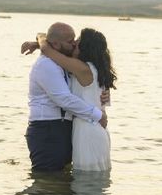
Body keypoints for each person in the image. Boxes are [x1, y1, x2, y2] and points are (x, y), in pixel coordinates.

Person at [20, 22, 108, 172]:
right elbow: (63, 98)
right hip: (48, 129)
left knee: (72, 181)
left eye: (76, 41)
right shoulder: (48, 64)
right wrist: (99, 114)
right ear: (55, 43)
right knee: (50, 184)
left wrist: (39, 42)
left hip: (74, 127)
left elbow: (47, 47)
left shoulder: (74, 65)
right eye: (70, 41)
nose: (74, 44)